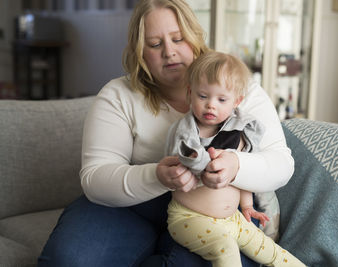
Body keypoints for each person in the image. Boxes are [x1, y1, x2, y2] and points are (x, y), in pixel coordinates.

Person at [38, 0, 295, 266]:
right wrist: (158, 176)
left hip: (214, 214)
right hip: (131, 208)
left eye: (178, 39)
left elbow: (282, 165)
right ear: (140, 51)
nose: (169, 52)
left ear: (195, 38)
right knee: (68, 259)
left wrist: (236, 165)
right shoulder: (117, 96)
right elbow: (95, 178)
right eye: (155, 44)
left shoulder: (241, 90)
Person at [165, 51, 305, 267]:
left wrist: (247, 205)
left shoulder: (239, 132)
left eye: (221, 99)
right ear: (190, 93)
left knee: (272, 252)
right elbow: (180, 159)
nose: (211, 105)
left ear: (237, 101)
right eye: (203, 96)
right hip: (189, 218)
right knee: (226, 248)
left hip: (233, 220)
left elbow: (241, 178)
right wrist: (195, 159)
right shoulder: (185, 130)